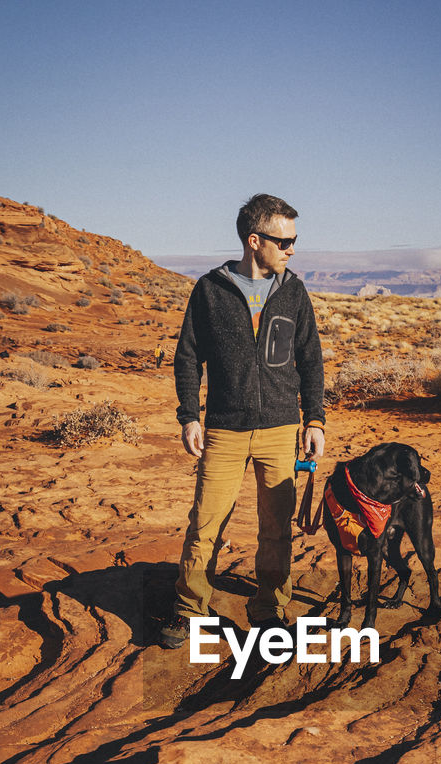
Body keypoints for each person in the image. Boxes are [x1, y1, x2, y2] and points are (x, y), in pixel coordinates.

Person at [160, 194, 325, 649]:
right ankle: (190, 607)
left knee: (276, 527)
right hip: (224, 430)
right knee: (206, 523)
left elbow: (310, 360)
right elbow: (188, 358)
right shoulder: (210, 290)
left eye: (294, 240)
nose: (292, 249)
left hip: (279, 429)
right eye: (284, 241)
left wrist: (315, 420)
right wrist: (189, 416)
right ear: (255, 241)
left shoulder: (293, 290)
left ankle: (269, 608)